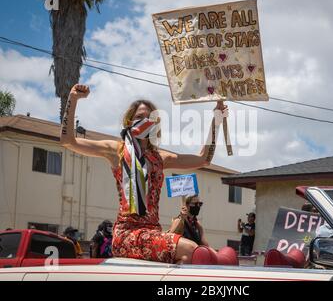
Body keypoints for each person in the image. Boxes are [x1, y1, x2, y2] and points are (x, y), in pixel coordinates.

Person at [60, 84, 228, 264]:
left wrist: (216, 121)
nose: (145, 121)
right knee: (191, 250)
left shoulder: (160, 158)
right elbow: (68, 140)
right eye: (139, 117)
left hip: (153, 232)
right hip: (127, 234)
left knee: (203, 253)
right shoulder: (116, 151)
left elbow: (203, 159)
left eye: (150, 118)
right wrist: (73, 99)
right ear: (129, 122)